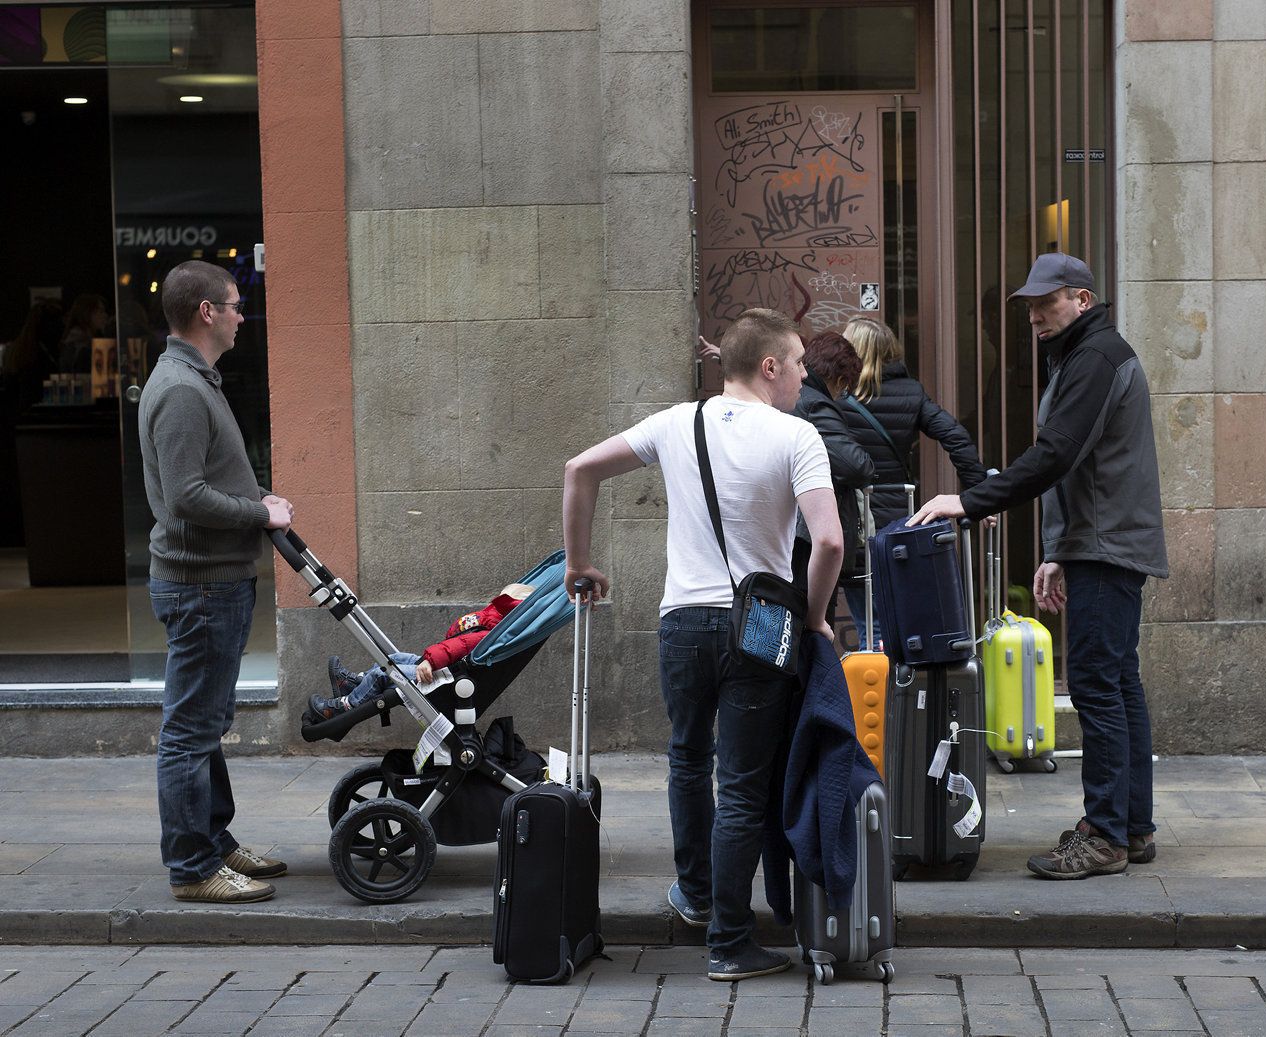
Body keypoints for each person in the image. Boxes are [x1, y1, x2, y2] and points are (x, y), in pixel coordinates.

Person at [563, 307, 842, 981]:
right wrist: (814, 616)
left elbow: (580, 469)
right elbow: (829, 540)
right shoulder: (797, 435)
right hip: (763, 620)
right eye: (799, 362)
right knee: (743, 784)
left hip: (683, 618)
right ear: (770, 366)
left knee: (688, 760)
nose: (805, 374)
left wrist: (579, 563)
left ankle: (694, 895)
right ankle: (730, 939)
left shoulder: (675, 423)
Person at [910, 253, 1169, 880]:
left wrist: (968, 501)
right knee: (1117, 683)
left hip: (1107, 545)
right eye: (1028, 307)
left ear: (1081, 298)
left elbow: (1056, 455)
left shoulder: (1098, 357)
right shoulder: (1081, 356)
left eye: (1045, 304)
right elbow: (1082, 466)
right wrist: (1057, 549)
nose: (1033, 316)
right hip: (1097, 542)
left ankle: (1107, 834)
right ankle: (1130, 827)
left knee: (1097, 686)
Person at [139, 260, 295, 904]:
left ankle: (216, 842)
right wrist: (259, 513)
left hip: (215, 580)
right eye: (234, 305)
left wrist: (254, 493)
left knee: (206, 720)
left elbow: (209, 479)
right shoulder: (180, 390)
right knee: (190, 730)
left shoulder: (196, 379)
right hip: (200, 585)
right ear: (206, 312)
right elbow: (184, 498)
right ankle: (194, 868)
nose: (241, 315)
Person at [837, 315, 989, 645]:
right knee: (894, 625)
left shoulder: (837, 399)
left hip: (852, 524)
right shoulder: (911, 393)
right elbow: (956, 437)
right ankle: (896, 693)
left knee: (869, 627)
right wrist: (979, 494)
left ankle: (873, 695)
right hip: (895, 527)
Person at [308, 583, 534, 719]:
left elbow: (454, 647)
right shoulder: (490, 624)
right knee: (393, 659)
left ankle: (343, 707)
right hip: (443, 669)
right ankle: (354, 683)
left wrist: (430, 662)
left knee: (383, 673)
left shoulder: (488, 634)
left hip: (441, 677)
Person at [791, 330, 875, 624]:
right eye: (845, 388)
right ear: (840, 380)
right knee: (813, 632)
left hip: (794, 535)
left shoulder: (799, 399)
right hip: (807, 539)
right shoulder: (815, 403)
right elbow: (856, 465)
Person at [58, 293, 108, 373]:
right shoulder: (79, 344)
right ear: (87, 313)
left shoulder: (78, 341)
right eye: (100, 311)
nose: (105, 315)